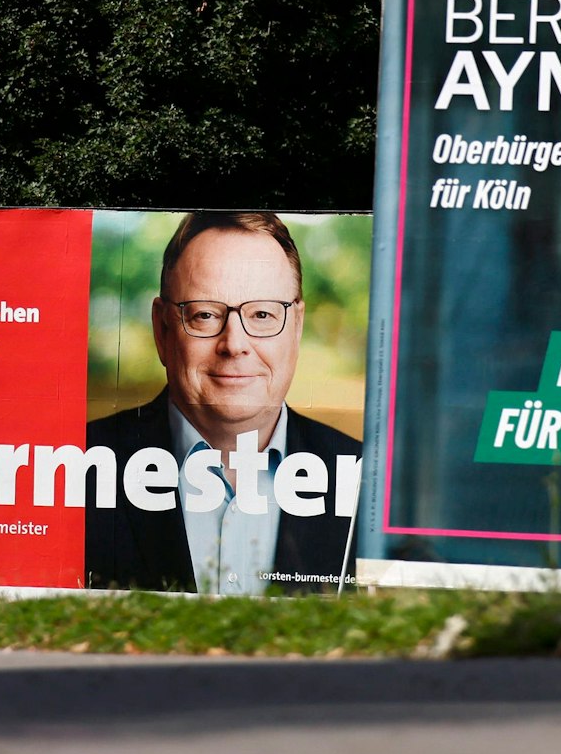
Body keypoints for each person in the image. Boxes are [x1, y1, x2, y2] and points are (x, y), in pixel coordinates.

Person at [85, 212, 362, 594]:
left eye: (262, 314)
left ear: (296, 326)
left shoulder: (368, 483)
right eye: (205, 315)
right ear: (162, 329)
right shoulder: (76, 469)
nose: (234, 344)